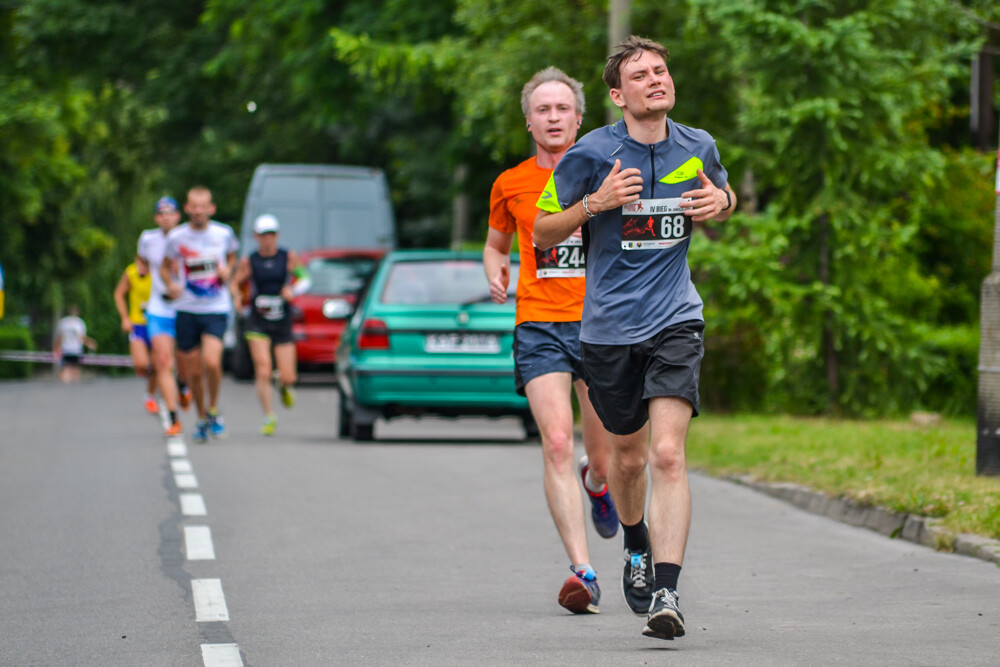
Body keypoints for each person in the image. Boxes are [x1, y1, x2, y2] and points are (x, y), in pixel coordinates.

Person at [533, 36, 737, 640]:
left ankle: (666, 592)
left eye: (661, 70)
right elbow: (543, 231)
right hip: (608, 331)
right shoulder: (591, 153)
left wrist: (720, 201)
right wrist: (593, 204)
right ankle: (635, 540)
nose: (656, 80)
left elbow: (723, 195)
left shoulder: (698, 145)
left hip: (676, 318)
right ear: (618, 95)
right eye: (641, 75)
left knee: (668, 454)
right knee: (626, 458)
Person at [483, 66, 619, 615]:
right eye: (543, 109)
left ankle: (598, 482)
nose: (554, 117)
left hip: (602, 321)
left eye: (563, 108)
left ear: (579, 118)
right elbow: (495, 244)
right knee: (558, 442)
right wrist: (494, 270)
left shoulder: (608, 173)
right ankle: (583, 572)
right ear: (529, 121)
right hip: (538, 322)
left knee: (602, 454)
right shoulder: (510, 183)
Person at [162, 186, 239, 444]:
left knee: (213, 362)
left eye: (203, 206)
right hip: (187, 309)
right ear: (187, 208)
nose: (198, 211)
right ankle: (201, 418)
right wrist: (170, 285)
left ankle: (213, 409)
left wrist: (228, 270)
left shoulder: (223, 233)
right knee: (194, 372)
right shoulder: (177, 237)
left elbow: (232, 257)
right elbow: (164, 267)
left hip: (215, 307)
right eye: (194, 206)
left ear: (211, 209)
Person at [230, 214, 310, 435]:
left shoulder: (288, 257)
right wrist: (237, 297)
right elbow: (235, 283)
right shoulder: (250, 261)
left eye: (271, 234)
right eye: (263, 235)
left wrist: (293, 290)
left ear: (277, 235)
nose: (267, 239)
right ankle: (268, 416)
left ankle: (283, 384)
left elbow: (305, 278)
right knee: (263, 369)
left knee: (289, 376)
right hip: (258, 321)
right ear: (256, 236)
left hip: (282, 319)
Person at [138, 196, 191, 436]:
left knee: (186, 361)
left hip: (186, 306)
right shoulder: (147, 239)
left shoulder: (189, 236)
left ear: (178, 216)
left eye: (171, 213)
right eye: (161, 213)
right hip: (159, 307)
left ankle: (184, 385)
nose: (166, 218)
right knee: (162, 361)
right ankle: (172, 417)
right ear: (156, 218)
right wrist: (142, 272)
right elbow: (142, 262)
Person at [113, 255, 158, 413]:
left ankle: (150, 396)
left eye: (145, 263)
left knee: (157, 364)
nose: (142, 267)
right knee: (141, 365)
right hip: (137, 323)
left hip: (156, 323)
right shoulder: (131, 273)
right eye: (140, 262)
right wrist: (124, 318)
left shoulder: (158, 272)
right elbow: (118, 294)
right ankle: (155, 382)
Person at [53, 305, 97, 383]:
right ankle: (72, 386)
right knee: (75, 369)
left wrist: (56, 349)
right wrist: (90, 343)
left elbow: (60, 338)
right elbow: (81, 338)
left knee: (67, 368)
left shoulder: (64, 322)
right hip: (75, 350)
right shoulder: (79, 323)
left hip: (67, 349)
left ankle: (65, 385)